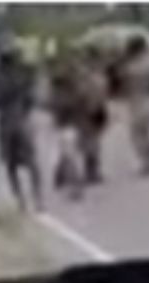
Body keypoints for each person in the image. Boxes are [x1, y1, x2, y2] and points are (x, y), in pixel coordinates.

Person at [0, 48, 42, 212]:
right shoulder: (19, 77)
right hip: (20, 120)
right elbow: (30, 99)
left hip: (7, 123)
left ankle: (22, 200)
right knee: (30, 162)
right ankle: (36, 198)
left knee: (12, 164)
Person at [122, 35, 149, 177]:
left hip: (137, 101)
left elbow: (126, 86)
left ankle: (147, 162)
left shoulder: (131, 66)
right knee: (145, 133)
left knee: (136, 134)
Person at [48, 58, 85, 201]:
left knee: (68, 158)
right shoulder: (73, 94)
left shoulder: (58, 96)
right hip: (72, 128)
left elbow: (51, 108)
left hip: (64, 128)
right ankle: (71, 183)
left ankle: (74, 186)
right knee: (69, 157)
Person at [78, 48, 109, 185]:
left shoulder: (92, 77)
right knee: (91, 142)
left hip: (91, 111)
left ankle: (92, 171)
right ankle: (92, 171)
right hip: (94, 111)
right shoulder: (97, 76)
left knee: (91, 142)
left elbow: (95, 95)